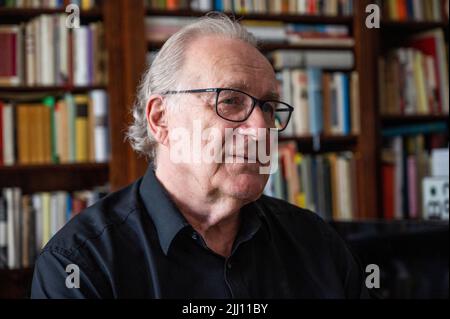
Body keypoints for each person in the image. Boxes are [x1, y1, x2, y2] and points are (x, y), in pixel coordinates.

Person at [31, 13, 370, 299]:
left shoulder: (315, 243)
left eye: (268, 107)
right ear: (161, 119)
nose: (260, 129)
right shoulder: (80, 264)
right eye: (231, 100)